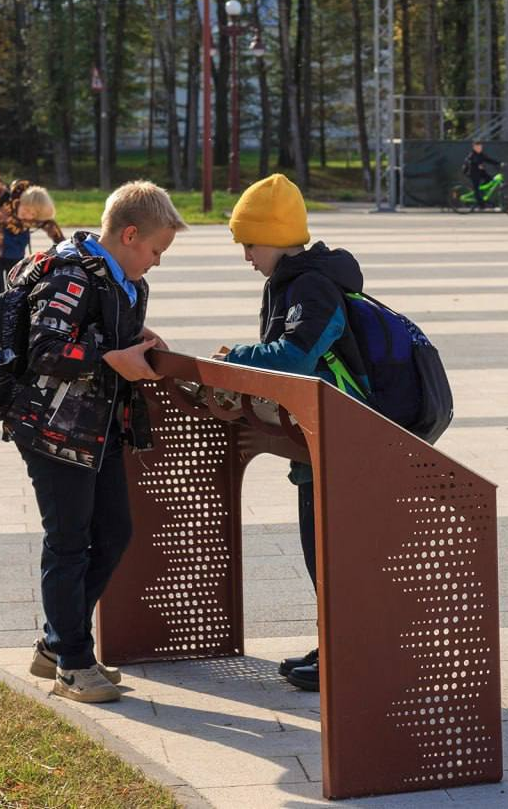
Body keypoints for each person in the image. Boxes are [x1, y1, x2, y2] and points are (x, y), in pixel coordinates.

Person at [11, 180, 187, 703]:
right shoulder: (71, 273)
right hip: (53, 430)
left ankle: (58, 643)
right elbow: (44, 350)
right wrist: (110, 356)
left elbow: (100, 337)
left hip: (99, 428)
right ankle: (71, 662)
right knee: (68, 543)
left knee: (113, 534)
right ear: (130, 235)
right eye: (156, 250)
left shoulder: (121, 280)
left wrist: (137, 342)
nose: (157, 262)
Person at [212, 173, 373, 693]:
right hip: (317, 440)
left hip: (342, 440)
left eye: (248, 244)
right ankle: (335, 645)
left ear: (275, 238)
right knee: (320, 553)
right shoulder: (292, 282)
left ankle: (346, 655)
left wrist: (234, 357)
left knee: (330, 553)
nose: (245, 257)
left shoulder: (311, 284)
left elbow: (294, 358)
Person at [0, 180, 65, 296]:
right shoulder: (4, 199)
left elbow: (55, 232)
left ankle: (11, 308)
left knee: (15, 286)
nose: (27, 215)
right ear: (20, 201)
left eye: (33, 214)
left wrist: (64, 249)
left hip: (15, 249)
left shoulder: (36, 219)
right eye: (26, 209)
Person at [462, 141, 502, 211]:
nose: (479, 148)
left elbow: (489, 160)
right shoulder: (472, 155)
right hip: (473, 173)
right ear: (474, 147)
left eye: (480, 147)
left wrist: (499, 163)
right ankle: (481, 205)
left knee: (490, 180)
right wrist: (477, 165)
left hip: (480, 172)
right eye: (477, 147)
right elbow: (470, 162)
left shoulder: (481, 154)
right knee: (476, 188)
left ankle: (481, 193)